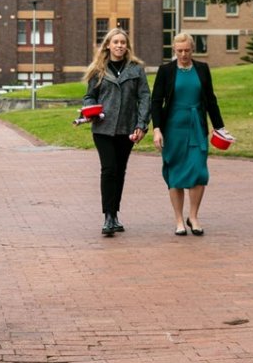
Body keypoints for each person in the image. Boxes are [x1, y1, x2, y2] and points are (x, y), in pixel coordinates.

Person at [151, 32, 226, 236]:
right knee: (175, 173)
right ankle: (178, 220)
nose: (183, 54)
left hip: (197, 126)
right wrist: (157, 129)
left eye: (187, 50)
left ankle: (193, 216)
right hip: (173, 127)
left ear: (193, 49)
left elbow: (210, 99)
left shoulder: (202, 69)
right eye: (180, 50)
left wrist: (219, 127)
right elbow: (156, 101)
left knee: (199, 170)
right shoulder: (166, 70)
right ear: (174, 50)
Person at [82, 28, 151, 236]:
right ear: (108, 45)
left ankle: (115, 213)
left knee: (119, 172)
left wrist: (141, 125)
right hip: (103, 128)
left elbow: (145, 97)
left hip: (127, 129)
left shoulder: (136, 69)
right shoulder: (98, 69)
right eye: (115, 42)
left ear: (127, 46)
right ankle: (108, 216)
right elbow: (89, 96)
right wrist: (90, 109)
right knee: (109, 169)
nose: (119, 45)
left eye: (123, 42)